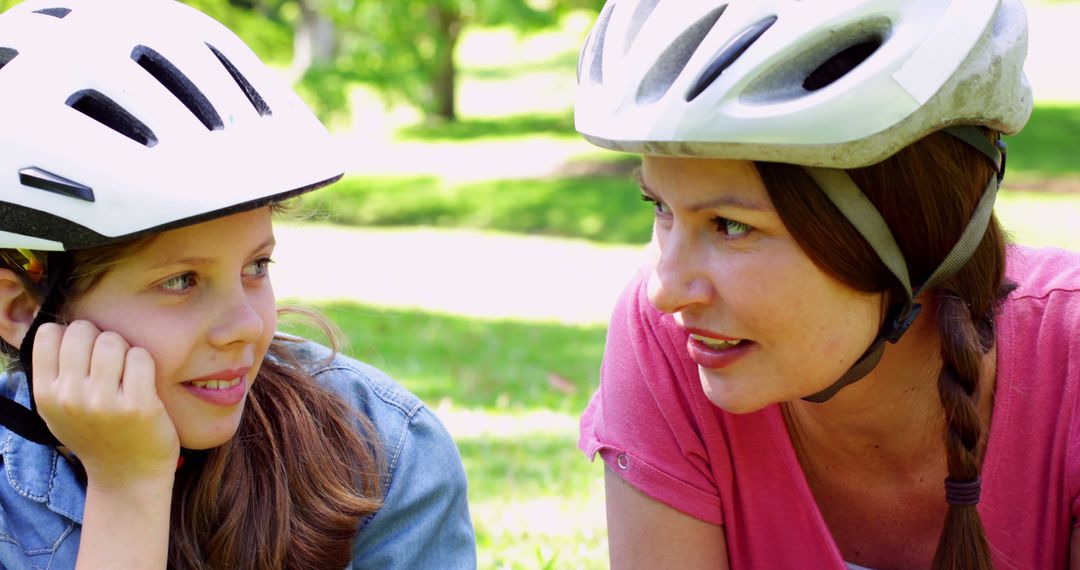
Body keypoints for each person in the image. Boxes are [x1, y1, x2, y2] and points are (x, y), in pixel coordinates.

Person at [575, 1, 1080, 569]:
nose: (664, 292)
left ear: (909, 226)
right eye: (660, 206)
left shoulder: (1070, 356)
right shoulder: (669, 345)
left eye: (731, 225)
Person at [0, 0, 476, 568]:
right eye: (180, 280)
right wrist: (128, 486)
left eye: (257, 267)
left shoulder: (383, 453)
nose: (248, 327)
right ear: (22, 310)